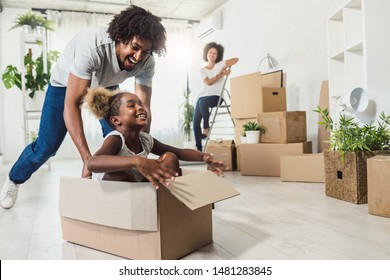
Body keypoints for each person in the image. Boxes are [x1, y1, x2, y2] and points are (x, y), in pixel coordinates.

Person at [0, 5, 167, 209]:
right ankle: (14, 179)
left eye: (146, 51)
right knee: (46, 147)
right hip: (65, 85)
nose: (138, 57)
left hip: (107, 85)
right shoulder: (94, 46)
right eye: (134, 47)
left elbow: (144, 108)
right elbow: (72, 105)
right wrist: (87, 160)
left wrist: (141, 150)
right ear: (121, 38)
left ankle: (116, 192)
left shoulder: (146, 62)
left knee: (121, 135)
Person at [85, 88, 226, 189]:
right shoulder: (116, 139)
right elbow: (92, 163)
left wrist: (204, 157)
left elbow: (179, 153)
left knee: (170, 157)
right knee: (123, 172)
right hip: (111, 184)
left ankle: (164, 198)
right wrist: (136, 161)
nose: (140, 107)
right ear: (116, 120)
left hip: (138, 180)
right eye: (131, 105)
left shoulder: (145, 140)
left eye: (140, 104)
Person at [193, 42, 238, 151]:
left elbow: (236, 59)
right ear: (206, 54)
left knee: (202, 102)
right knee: (195, 122)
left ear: (217, 56)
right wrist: (221, 75)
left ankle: (206, 127)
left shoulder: (219, 64)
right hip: (203, 97)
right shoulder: (202, 70)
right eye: (210, 52)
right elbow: (208, 82)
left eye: (214, 53)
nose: (212, 55)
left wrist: (224, 67)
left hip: (216, 97)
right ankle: (199, 149)